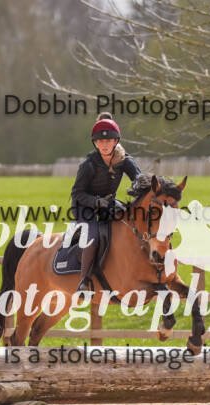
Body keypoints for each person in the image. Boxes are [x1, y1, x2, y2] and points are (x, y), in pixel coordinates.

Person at [70, 112, 142, 291]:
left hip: (108, 205)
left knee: (129, 225)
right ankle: (84, 281)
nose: (104, 144)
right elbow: (77, 193)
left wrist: (139, 186)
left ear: (116, 141)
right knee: (93, 235)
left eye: (108, 140)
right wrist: (96, 202)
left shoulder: (124, 160)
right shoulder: (88, 165)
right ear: (95, 143)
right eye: (100, 141)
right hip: (84, 207)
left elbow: (139, 179)